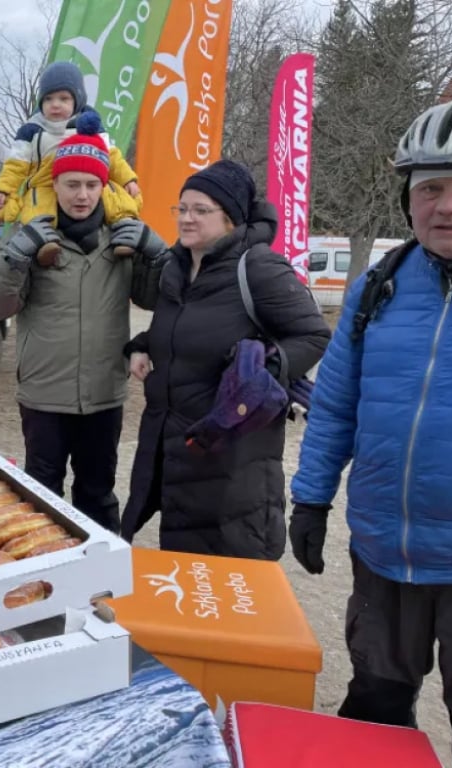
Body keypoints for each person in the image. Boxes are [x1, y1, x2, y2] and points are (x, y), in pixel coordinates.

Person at [289, 101, 452, 759]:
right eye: (431, 189)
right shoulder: (376, 289)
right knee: (376, 711)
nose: (446, 206)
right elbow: (334, 406)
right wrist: (309, 498)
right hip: (383, 551)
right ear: (408, 200)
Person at [120, 159, 329, 559]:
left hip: (234, 457)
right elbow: (181, 334)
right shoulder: (177, 268)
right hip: (178, 449)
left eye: (201, 210)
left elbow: (314, 335)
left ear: (231, 219)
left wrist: (264, 370)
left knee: (229, 579)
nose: (186, 218)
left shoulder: (259, 267)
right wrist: (141, 346)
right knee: (185, 568)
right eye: (181, 208)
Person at [0, 125, 168, 533]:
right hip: (44, 395)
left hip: (103, 395)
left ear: (104, 186)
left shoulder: (120, 239)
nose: (82, 195)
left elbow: (154, 299)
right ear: (56, 184)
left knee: (98, 493)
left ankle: (101, 578)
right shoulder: (33, 236)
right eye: (72, 184)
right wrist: (14, 257)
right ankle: (44, 579)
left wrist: (157, 255)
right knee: (42, 496)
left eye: (91, 184)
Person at [0, 61, 142, 228]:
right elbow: (15, 165)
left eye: (63, 98)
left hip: (85, 182)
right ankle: (40, 240)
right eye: (48, 99)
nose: (55, 105)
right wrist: (4, 189)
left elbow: (112, 157)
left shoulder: (90, 126)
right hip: (45, 184)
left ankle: (126, 226)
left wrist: (128, 180)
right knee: (37, 206)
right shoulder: (31, 131)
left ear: (77, 100)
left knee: (113, 192)